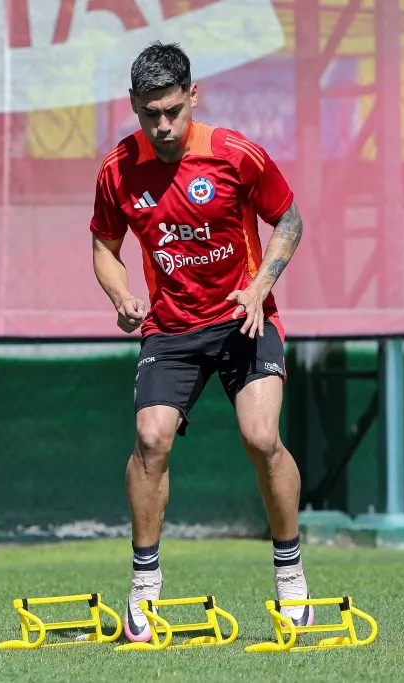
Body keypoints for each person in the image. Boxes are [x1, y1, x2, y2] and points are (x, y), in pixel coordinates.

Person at [89, 41, 312, 643]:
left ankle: (291, 575)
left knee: (261, 438)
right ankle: (143, 587)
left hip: (244, 318)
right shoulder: (117, 169)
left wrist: (259, 284)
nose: (161, 125)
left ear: (193, 95)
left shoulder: (235, 155)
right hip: (172, 326)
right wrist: (121, 296)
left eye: (171, 110)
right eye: (148, 114)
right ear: (134, 107)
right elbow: (104, 248)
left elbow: (289, 220)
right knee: (149, 437)